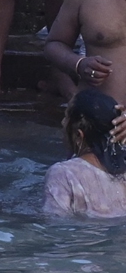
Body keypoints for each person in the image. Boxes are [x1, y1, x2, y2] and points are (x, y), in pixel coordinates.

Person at [43, 88, 126, 218]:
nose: (62, 123)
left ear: (78, 135)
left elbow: (54, 222)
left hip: (85, 237)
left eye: (66, 117)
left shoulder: (64, 173)